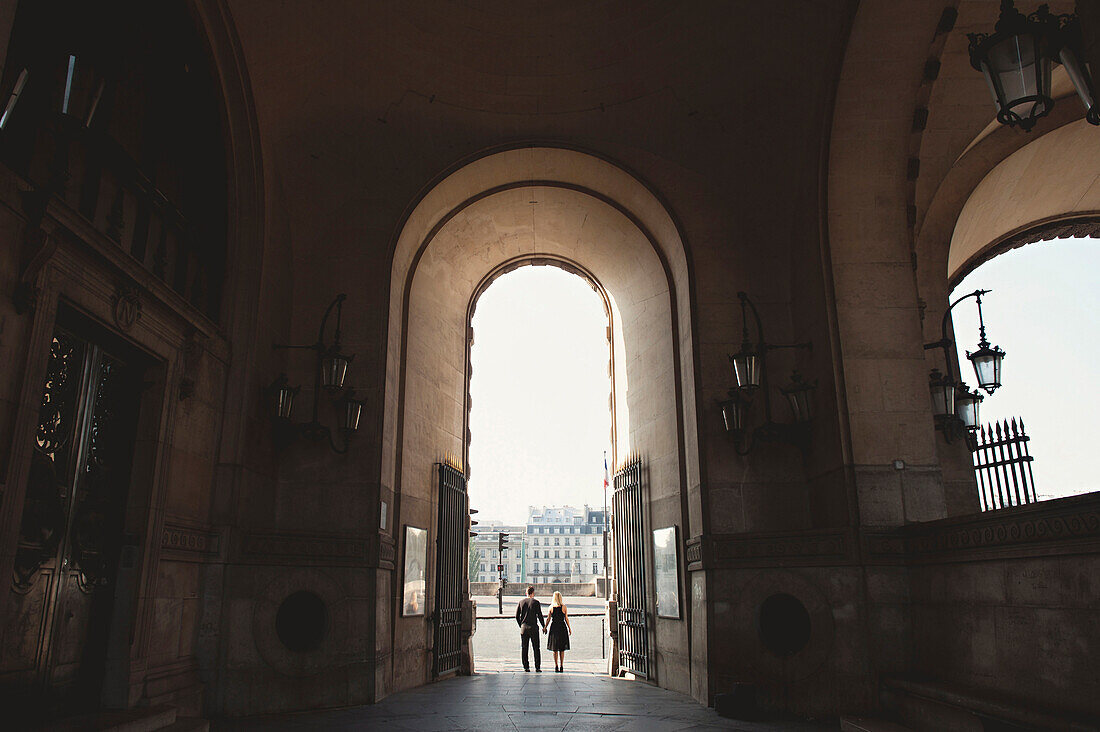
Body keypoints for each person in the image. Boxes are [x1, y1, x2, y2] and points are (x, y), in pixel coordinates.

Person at [515, 586, 546, 672]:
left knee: (524, 648)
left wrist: (521, 625)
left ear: (526, 593)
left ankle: (526, 666)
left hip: (524, 628)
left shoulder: (521, 602)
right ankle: (537, 666)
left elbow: (517, 616)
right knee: (536, 648)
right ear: (533, 593)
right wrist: (544, 626)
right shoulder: (536, 602)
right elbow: (539, 616)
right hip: (533, 627)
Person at [546, 590, 572, 672]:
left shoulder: (551, 607)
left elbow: (548, 619)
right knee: (561, 648)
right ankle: (561, 665)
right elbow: (566, 618)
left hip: (554, 628)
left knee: (555, 648)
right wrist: (569, 628)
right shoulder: (564, 607)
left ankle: (556, 665)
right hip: (562, 627)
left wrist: (545, 627)